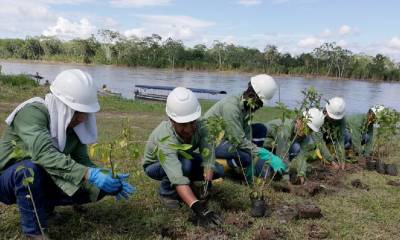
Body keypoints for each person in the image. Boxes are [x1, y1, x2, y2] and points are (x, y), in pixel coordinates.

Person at [0, 69, 135, 240]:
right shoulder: (33, 112)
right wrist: (88, 174)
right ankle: (34, 233)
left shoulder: (72, 128)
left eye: (85, 112)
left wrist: (105, 175)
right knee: (28, 170)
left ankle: (44, 207)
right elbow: (44, 154)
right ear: (62, 105)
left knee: (97, 188)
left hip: (39, 176)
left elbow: (82, 161)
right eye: (78, 111)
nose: (82, 118)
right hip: (6, 179)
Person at [143, 87, 224, 228]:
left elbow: (208, 154)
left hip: (183, 157)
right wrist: (199, 208)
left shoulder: (202, 125)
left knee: (218, 169)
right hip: (155, 165)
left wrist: (207, 182)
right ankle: (167, 194)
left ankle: (189, 187)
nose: (189, 129)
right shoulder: (166, 137)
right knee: (184, 164)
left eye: (192, 122)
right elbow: (177, 177)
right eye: (183, 124)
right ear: (171, 120)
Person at [204, 74, 286, 182]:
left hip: (227, 137)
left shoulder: (246, 104)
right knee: (245, 157)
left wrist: (254, 159)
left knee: (260, 129)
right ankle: (220, 166)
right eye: (260, 103)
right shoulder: (231, 107)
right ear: (252, 95)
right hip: (212, 142)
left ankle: (242, 165)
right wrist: (267, 155)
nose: (260, 107)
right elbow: (239, 141)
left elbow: (246, 133)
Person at [258, 108, 325, 184]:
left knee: (296, 147)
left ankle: (277, 169)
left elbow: (303, 155)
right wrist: (286, 179)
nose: (306, 132)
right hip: (262, 145)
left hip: (277, 148)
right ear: (298, 120)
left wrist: (301, 174)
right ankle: (270, 168)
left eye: (310, 130)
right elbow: (282, 152)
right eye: (305, 127)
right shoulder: (285, 127)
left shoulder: (305, 135)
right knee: (264, 174)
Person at [316, 97, 349, 169]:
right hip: (319, 136)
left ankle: (330, 148)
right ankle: (320, 150)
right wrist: (332, 161)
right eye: (332, 118)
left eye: (336, 118)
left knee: (347, 137)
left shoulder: (342, 119)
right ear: (327, 111)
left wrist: (342, 160)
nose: (334, 120)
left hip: (330, 137)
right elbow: (319, 141)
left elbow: (340, 140)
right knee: (312, 144)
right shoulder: (318, 117)